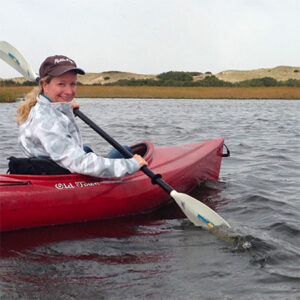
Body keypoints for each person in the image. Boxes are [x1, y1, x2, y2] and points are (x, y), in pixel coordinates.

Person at [16, 55, 147, 178]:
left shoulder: (41, 108)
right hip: (62, 172)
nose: (69, 91)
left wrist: (65, 108)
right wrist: (131, 165)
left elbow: (56, 126)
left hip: (53, 163)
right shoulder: (46, 122)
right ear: (45, 85)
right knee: (125, 150)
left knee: (87, 149)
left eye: (73, 84)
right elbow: (78, 162)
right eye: (61, 84)